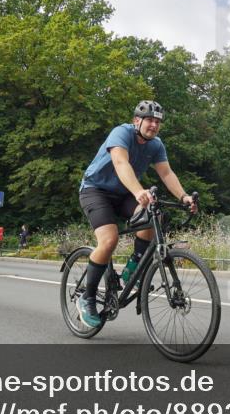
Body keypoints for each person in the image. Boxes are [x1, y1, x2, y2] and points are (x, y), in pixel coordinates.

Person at [76, 100, 197, 327]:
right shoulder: (121, 133)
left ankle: (134, 267)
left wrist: (183, 196)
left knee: (153, 213)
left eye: (157, 122)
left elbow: (166, 173)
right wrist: (138, 191)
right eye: (149, 120)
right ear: (136, 121)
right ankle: (87, 297)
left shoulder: (156, 145)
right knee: (109, 240)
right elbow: (121, 163)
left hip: (124, 193)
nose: (154, 125)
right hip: (96, 190)